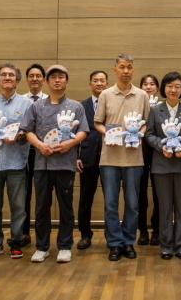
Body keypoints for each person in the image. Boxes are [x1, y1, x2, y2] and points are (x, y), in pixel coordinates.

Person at [21, 65, 88, 263]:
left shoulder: (76, 106)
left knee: (66, 206)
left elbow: (83, 131)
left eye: (61, 77)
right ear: (46, 82)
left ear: (66, 81)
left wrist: (70, 143)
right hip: (42, 164)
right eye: (53, 78)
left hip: (66, 164)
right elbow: (28, 130)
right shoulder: (36, 106)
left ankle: (65, 246)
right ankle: (41, 247)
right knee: (41, 206)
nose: (57, 80)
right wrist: (40, 145)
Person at [94, 54, 150, 261]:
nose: (126, 71)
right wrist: (106, 133)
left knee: (132, 203)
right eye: (122, 67)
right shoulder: (106, 94)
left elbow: (146, 122)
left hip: (134, 158)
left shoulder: (142, 95)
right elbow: (98, 122)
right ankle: (114, 243)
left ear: (133, 70)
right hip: (109, 158)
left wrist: (141, 134)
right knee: (110, 204)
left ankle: (128, 241)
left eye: (129, 67)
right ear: (114, 70)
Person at [145, 72, 181, 260]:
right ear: (163, 88)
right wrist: (162, 146)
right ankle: (166, 245)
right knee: (165, 207)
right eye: (169, 86)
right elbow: (149, 134)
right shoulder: (155, 110)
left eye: (177, 86)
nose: (173, 89)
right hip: (161, 164)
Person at [0, 63, 30, 259]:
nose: (7, 77)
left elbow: (30, 130)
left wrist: (20, 135)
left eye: (11, 75)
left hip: (17, 162)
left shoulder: (26, 104)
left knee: (18, 207)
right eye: (3, 75)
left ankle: (16, 242)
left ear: (17, 80)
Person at [76, 70, 109, 250]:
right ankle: (85, 235)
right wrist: (76, 156)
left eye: (102, 80)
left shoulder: (112, 102)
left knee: (109, 199)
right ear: (90, 84)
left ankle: (110, 235)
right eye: (95, 81)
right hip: (87, 157)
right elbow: (74, 133)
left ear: (107, 83)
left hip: (110, 156)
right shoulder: (81, 106)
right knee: (85, 198)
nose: (98, 83)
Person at [21, 63, 49, 246]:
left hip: (43, 153)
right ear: (26, 79)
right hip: (22, 153)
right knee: (23, 195)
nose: (35, 79)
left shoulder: (49, 100)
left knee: (41, 196)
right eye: (31, 76)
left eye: (38, 76)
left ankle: (41, 236)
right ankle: (24, 233)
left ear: (44, 80)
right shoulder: (21, 101)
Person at [138, 74, 161, 245]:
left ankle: (157, 230)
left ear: (157, 88)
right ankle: (142, 230)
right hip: (139, 153)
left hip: (158, 153)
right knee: (140, 195)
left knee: (159, 194)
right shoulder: (136, 103)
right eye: (145, 84)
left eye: (152, 84)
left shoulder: (162, 107)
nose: (148, 87)